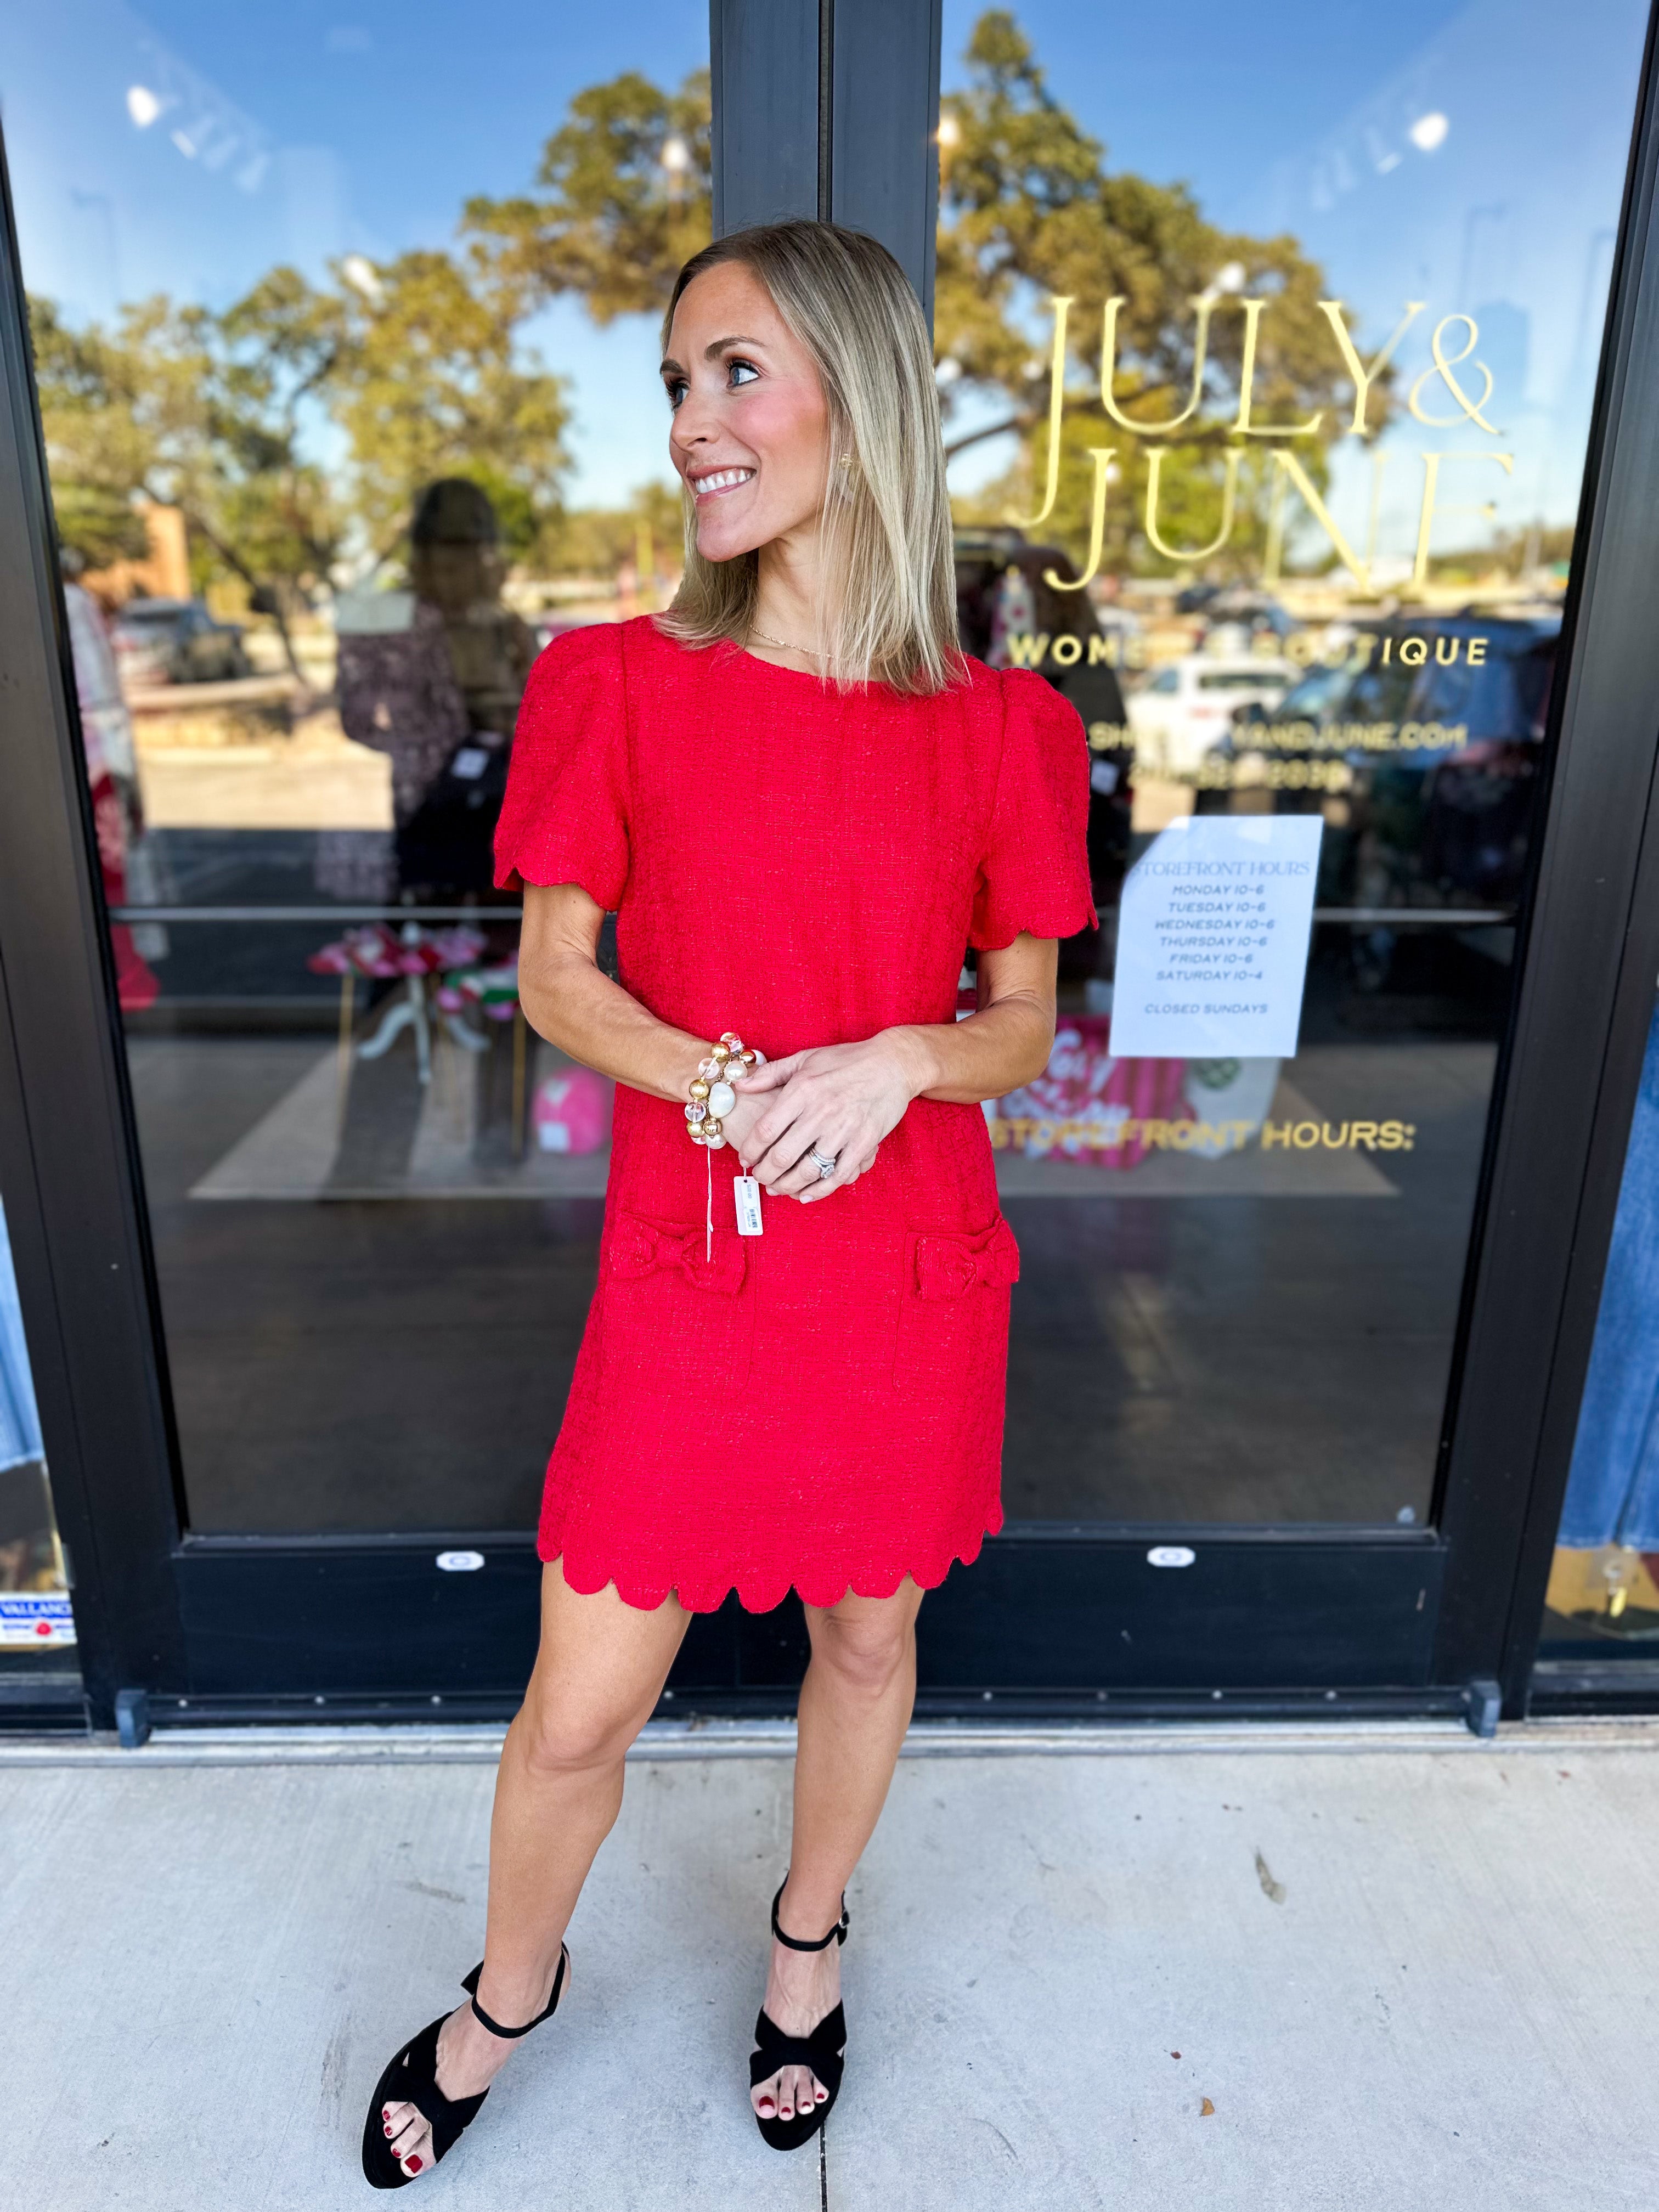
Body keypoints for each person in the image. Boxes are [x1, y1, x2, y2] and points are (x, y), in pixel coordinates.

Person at [360, 217, 1093, 2187]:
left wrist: (899, 1060)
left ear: (862, 399)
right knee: (577, 1709)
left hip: (905, 1270)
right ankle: (506, 1998)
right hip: (694, 1273)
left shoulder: (1005, 728)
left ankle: (805, 1948)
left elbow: (1023, 1022)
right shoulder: (614, 683)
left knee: (866, 1644)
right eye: (678, 384)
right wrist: (730, 1083)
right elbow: (557, 979)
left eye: (736, 372)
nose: (692, 420)